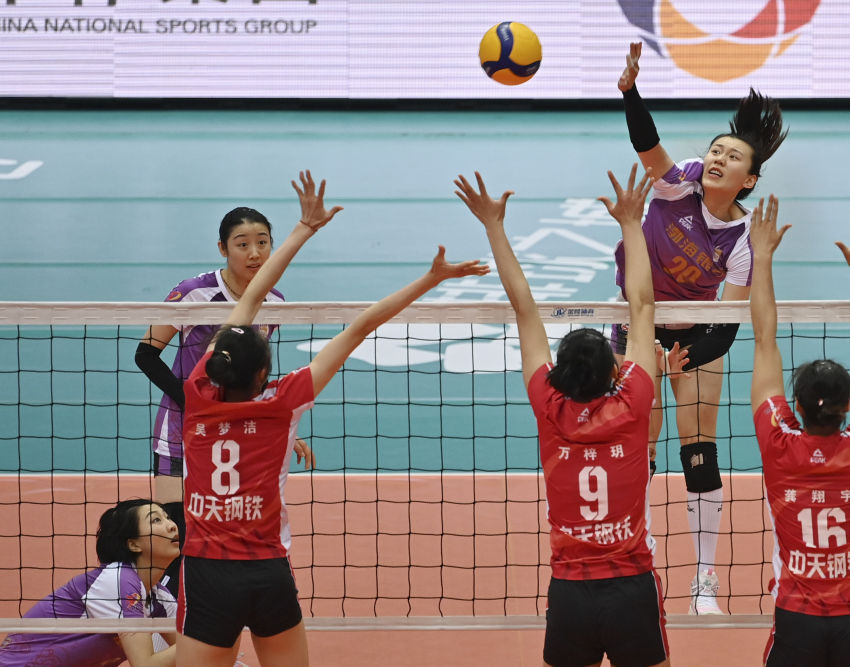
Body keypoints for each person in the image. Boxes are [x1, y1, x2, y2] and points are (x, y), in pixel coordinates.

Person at [176, 170, 488, 667]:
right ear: (263, 373)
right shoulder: (283, 402)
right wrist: (431, 280)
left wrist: (304, 227)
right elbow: (361, 326)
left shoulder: (196, 395)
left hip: (207, 572)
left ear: (215, 364)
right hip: (266, 571)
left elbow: (249, 300)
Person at [456, 165, 687, 667]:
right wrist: (632, 223)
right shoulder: (634, 402)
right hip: (631, 588)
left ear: (557, 373)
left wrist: (493, 226)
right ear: (615, 372)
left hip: (570, 593)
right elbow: (643, 305)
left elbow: (524, 310)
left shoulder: (548, 404)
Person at [615, 41, 789, 614]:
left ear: (748, 179)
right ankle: (634, 552)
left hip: (699, 333)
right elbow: (647, 145)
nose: (717, 158)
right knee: (636, 441)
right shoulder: (679, 184)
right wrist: (630, 92)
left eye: (731, 156)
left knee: (698, 447)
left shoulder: (743, 239)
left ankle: (704, 579)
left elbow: (731, 323)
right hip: (636, 320)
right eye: (715, 150)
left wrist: (684, 357)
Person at [135, 203, 315, 597]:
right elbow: (145, 354)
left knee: (220, 534)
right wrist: (194, 402)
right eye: (242, 244)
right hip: (179, 430)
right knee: (175, 536)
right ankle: (163, 615)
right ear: (222, 248)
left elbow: (251, 378)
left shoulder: (275, 302)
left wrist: (280, 428)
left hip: (232, 435)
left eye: (263, 242)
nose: (254, 253)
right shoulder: (193, 293)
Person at [749, 199, 850, 666]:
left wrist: (762, 257)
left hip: (798, 618)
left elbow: (764, 340)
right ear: (849, 407)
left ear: (795, 407)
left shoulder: (777, 441)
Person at [0, 499, 179, 667]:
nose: (172, 525)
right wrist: (196, 639)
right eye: (156, 520)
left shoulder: (160, 598)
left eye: (168, 517)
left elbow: (187, 655)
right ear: (133, 544)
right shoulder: (118, 580)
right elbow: (145, 664)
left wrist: (193, 642)